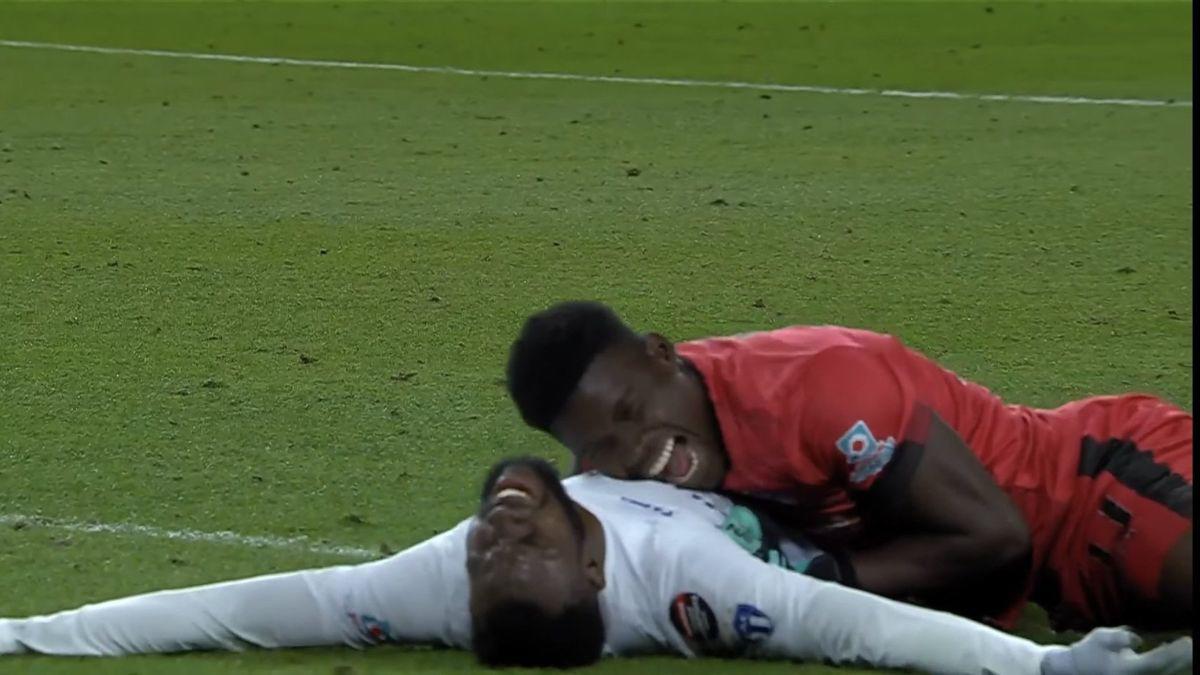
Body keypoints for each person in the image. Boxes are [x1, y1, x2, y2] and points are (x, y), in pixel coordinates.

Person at [2, 458, 1188, 673]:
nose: (497, 528)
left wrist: (23, 633)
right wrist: (1044, 674)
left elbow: (231, 613)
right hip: (878, 531)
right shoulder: (693, 580)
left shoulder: (438, 587)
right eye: (522, 547)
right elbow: (860, 631)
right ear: (588, 576)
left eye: (488, 554)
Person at [504, 301, 1193, 630]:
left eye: (633, 411)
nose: (638, 450)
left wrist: (820, 583)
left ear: (662, 353)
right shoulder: (621, 472)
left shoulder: (820, 387)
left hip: (1101, 483)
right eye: (604, 448)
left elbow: (996, 540)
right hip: (1067, 592)